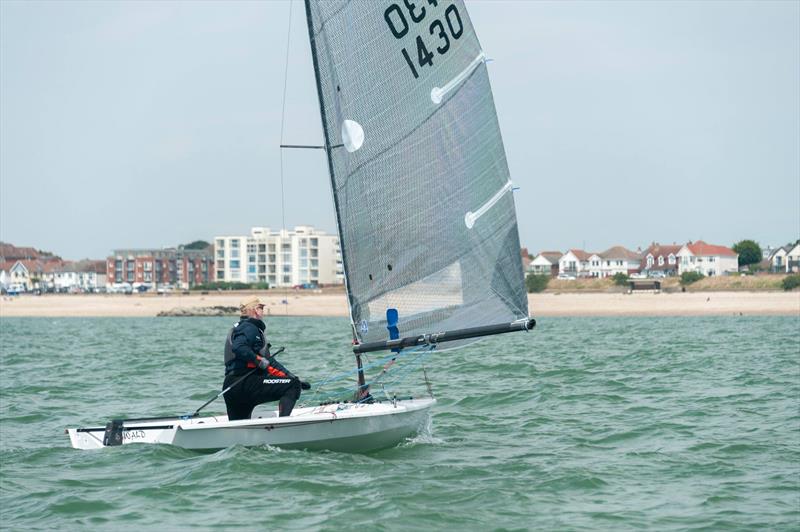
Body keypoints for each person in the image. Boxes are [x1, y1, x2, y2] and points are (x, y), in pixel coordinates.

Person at [222, 296, 310, 420]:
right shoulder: (249, 327)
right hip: (246, 384)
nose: (263, 311)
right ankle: (283, 426)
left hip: (231, 386)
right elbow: (239, 347)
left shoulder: (240, 328)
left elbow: (270, 363)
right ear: (255, 310)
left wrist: (292, 378)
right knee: (292, 386)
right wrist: (257, 360)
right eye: (261, 307)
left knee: (239, 427)